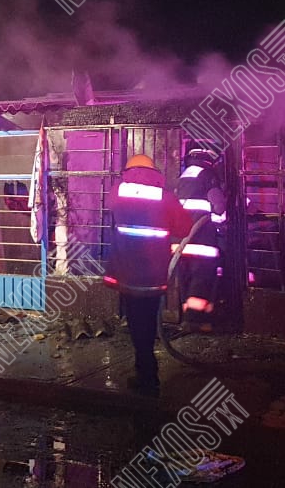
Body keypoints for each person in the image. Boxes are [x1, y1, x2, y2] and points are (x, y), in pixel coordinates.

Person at [104, 154, 191, 397]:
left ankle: (146, 374)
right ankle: (147, 374)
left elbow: (111, 208)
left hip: (126, 271)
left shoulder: (118, 191)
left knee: (135, 322)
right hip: (153, 274)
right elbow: (184, 227)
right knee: (149, 321)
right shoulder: (165, 196)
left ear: (128, 171)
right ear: (154, 172)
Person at [173, 143, 226, 333]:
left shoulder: (182, 176)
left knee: (185, 278)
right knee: (202, 277)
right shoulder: (207, 175)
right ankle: (195, 321)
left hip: (180, 240)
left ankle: (188, 318)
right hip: (201, 238)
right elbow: (219, 206)